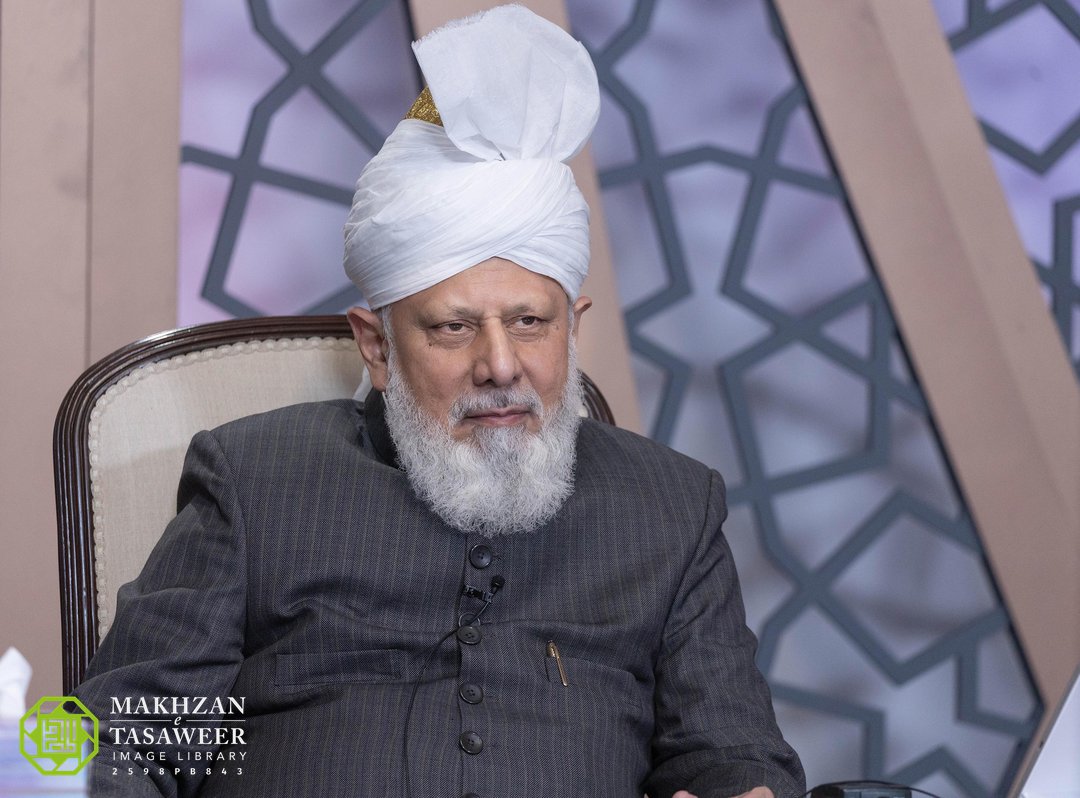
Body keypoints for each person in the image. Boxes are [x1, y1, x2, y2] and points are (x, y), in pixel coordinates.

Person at [75, 6, 805, 797]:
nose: (500, 366)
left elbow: (733, 754)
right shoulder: (252, 480)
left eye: (530, 323)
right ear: (377, 345)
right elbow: (123, 740)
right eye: (454, 328)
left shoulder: (672, 507)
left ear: (574, 328)